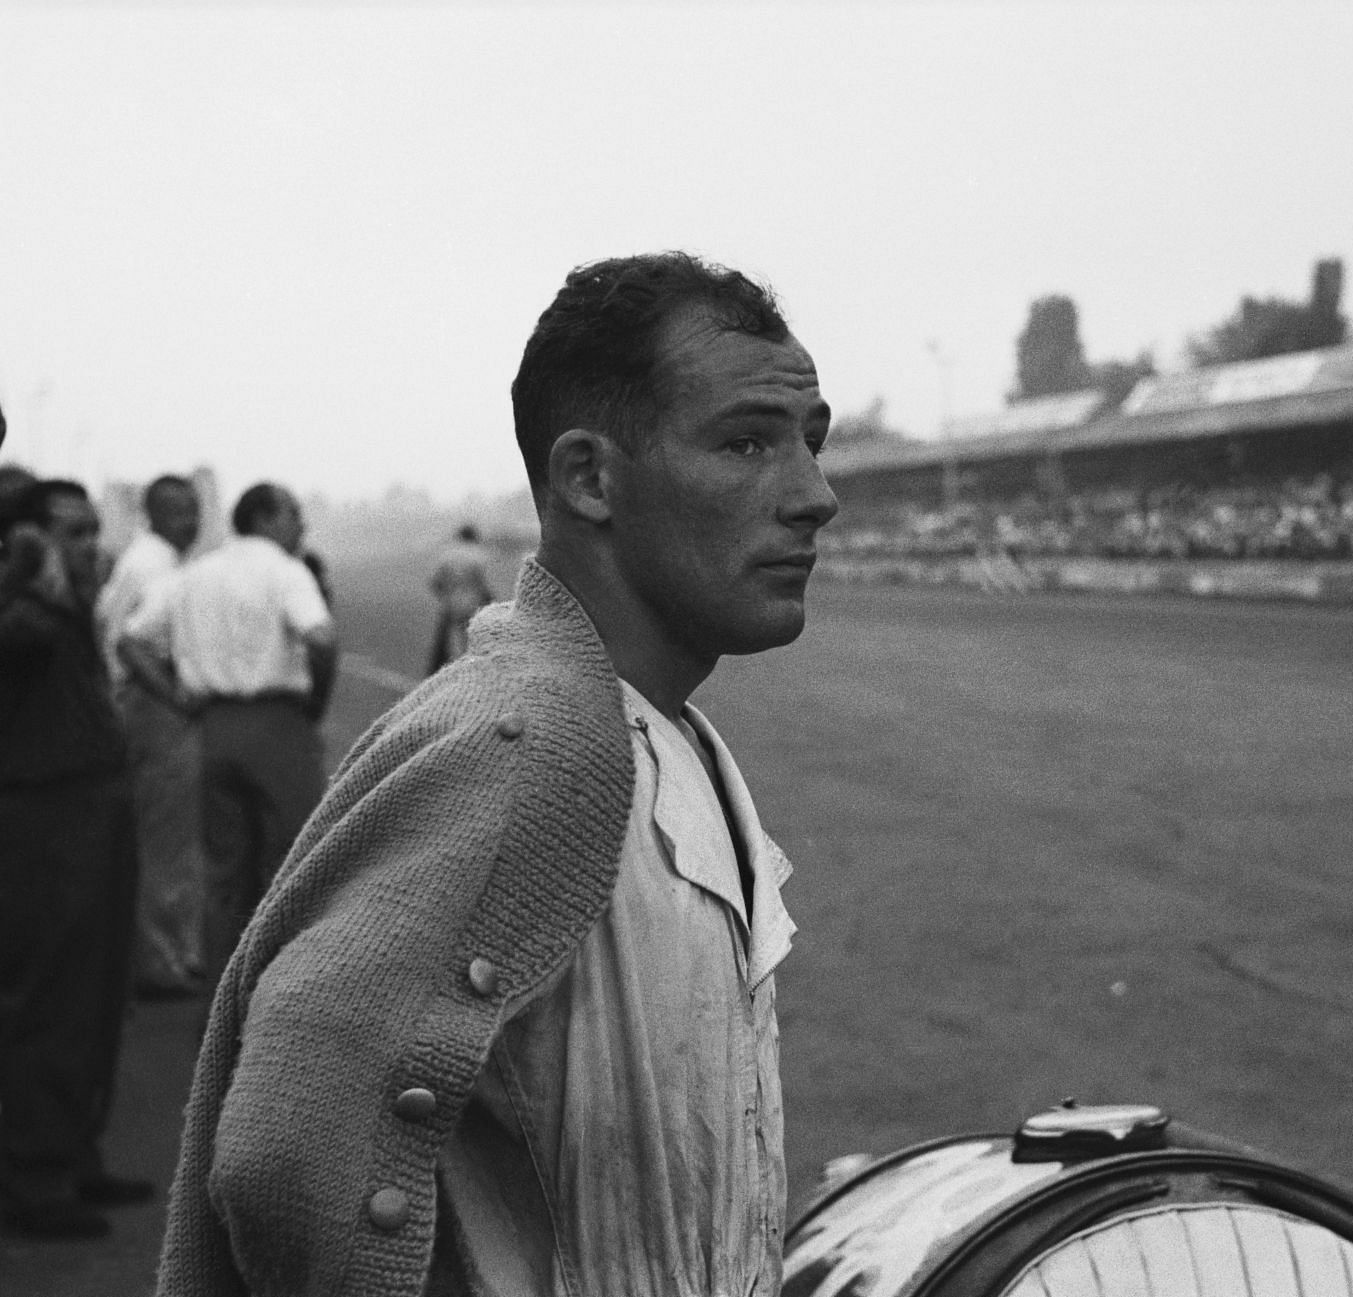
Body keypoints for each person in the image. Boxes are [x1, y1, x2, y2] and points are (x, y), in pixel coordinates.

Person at [158, 251, 838, 1296]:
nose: (813, 495)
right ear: (588, 478)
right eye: (748, 442)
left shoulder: (668, 731)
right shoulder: (523, 748)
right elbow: (288, 1158)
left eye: (811, 442)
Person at [0, 479, 152, 1239]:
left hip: (92, 810)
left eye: (94, 530)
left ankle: (73, 1149)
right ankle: (34, 1176)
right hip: (44, 817)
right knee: (50, 997)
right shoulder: (25, 611)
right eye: (71, 531)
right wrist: (26, 572)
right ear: (26, 539)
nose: (91, 545)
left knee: (96, 994)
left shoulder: (67, 608)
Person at [119, 482, 338, 985]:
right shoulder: (287, 571)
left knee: (223, 875)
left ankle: (225, 998)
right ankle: (286, 992)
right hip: (278, 723)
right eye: (294, 513)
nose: (300, 526)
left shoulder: (194, 573)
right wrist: (315, 703)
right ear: (263, 517)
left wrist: (176, 698)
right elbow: (322, 639)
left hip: (213, 727)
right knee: (295, 865)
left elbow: (130, 641)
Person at [95, 474, 207, 996]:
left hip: (134, 704)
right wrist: (174, 696)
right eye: (179, 511)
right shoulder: (156, 565)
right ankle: (163, 960)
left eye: (194, 509)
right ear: (153, 513)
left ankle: (159, 952)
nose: (192, 521)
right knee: (169, 838)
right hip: (152, 704)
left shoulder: (145, 560)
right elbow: (128, 644)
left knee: (151, 832)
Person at [427, 523, 495, 672]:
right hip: (473, 603)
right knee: (471, 639)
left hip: (451, 603)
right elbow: (485, 585)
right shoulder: (478, 556)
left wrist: (446, 597)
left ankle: (444, 672)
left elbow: (435, 582)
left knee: (449, 642)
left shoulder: (447, 555)